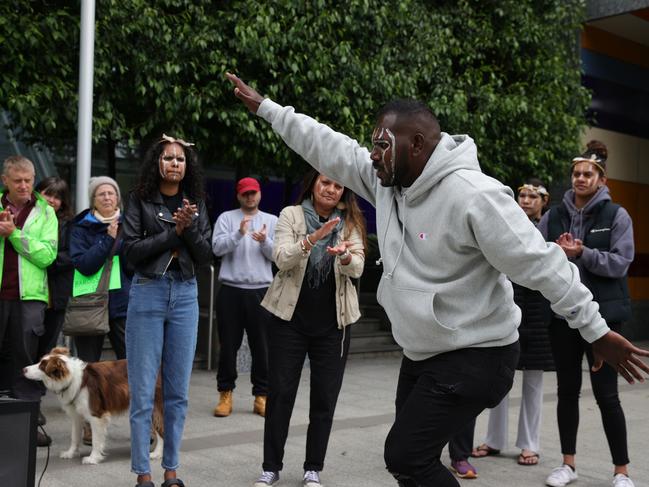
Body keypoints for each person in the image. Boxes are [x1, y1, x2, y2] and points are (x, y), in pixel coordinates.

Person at [226, 73, 649, 487]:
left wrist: (595, 331)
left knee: (403, 454)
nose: (372, 154)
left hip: (479, 353)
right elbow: (328, 144)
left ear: (417, 145)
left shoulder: (475, 196)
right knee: (412, 464)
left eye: (381, 145)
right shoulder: (388, 183)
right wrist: (267, 109)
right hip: (424, 352)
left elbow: (544, 264)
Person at [253, 169, 366, 487]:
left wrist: (345, 257)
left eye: (337, 185)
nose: (331, 189)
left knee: (324, 399)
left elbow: (358, 265)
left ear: (344, 191)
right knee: (280, 394)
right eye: (325, 182)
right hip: (289, 321)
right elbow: (280, 258)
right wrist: (311, 241)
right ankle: (271, 467)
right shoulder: (291, 214)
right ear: (313, 184)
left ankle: (313, 468)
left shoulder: (350, 221)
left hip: (334, 324)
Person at [538, 141, 636, 487]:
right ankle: (568, 464)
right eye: (576, 173)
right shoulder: (554, 215)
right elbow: (535, 254)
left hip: (604, 319)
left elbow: (622, 262)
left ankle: (621, 471)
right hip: (563, 317)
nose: (580, 178)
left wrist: (583, 253)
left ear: (600, 179)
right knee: (567, 390)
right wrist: (557, 253)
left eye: (587, 174)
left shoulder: (616, 215)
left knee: (607, 395)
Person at [122, 134, 212, 487]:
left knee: (178, 392)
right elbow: (131, 252)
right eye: (169, 158)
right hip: (147, 293)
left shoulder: (197, 203)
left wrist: (187, 230)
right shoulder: (139, 200)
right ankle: (142, 473)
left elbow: (205, 255)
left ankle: (171, 471)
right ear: (156, 163)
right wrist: (175, 232)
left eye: (181, 159)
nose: (175, 163)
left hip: (186, 295)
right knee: (143, 391)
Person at [472, 179, 554, 467]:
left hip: (537, 309)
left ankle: (529, 444)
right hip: (507, 304)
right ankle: (494, 439)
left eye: (533, 196)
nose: (527, 200)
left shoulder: (549, 228)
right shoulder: (505, 221)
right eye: (523, 194)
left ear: (544, 201)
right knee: (501, 376)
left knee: (533, 379)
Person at [0, 155, 57, 447]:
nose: (24, 186)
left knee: (26, 361)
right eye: (17, 180)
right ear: (5, 180)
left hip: (30, 298)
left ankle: (29, 425)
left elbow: (47, 255)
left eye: (28, 180)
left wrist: (14, 235)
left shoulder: (46, 212)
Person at [211, 176, 277, 418]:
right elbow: (217, 249)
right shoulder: (226, 218)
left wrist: (264, 241)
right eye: (245, 193)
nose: (250, 197)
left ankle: (262, 395)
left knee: (263, 347)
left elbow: (278, 256)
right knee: (228, 346)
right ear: (238, 196)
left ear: (259, 194)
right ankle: (225, 394)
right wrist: (239, 234)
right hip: (230, 289)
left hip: (261, 290)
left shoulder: (271, 220)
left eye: (253, 193)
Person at [69, 176, 130, 363]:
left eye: (111, 193)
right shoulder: (80, 227)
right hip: (89, 304)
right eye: (101, 194)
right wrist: (108, 240)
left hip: (123, 305)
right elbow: (85, 265)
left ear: (117, 198)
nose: (107, 197)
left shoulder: (131, 224)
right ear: (93, 200)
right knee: (88, 368)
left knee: (130, 363)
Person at [35, 177, 74, 360]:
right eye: (48, 194)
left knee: (48, 342)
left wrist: (43, 257)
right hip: (29, 289)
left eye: (57, 197)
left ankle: (39, 386)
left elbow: (72, 256)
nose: (51, 200)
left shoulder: (69, 225)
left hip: (56, 293)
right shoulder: (28, 219)